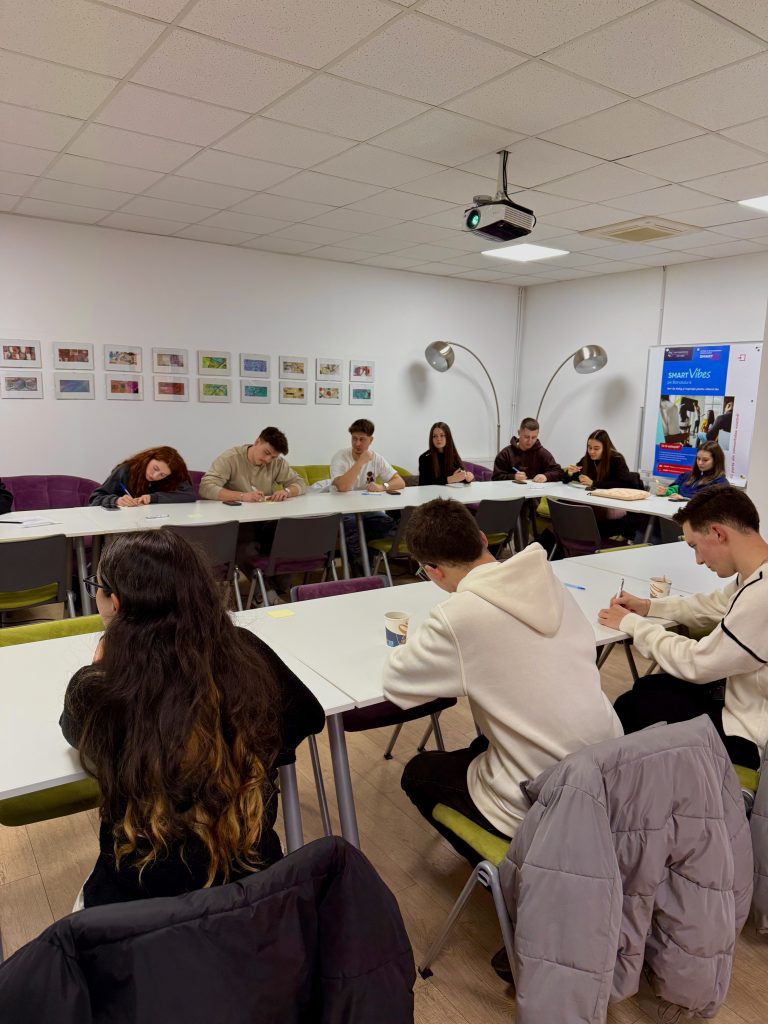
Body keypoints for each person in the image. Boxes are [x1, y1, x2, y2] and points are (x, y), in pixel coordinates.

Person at [61, 530, 324, 908]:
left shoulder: (99, 686)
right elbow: (307, 716)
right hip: (251, 875)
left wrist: (101, 666)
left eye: (96, 589)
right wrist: (243, 755)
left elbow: (79, 737)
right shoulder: (245, 651)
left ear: (114, 603)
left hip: (143, 896)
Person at [382, 498, 623, 866]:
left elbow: (397, 684)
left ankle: (517, 867)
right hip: (611, 774)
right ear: (482, 538)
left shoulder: (457, 616)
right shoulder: (548, 581)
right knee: (483, 741)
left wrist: (402, 647)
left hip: (546, 795)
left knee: (419, 773)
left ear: (432, 572)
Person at [599, 485, 768, 769]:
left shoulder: (762, 594)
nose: (698, 560)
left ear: (718, 533)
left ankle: (614, 783)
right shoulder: (755, 575)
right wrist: (648, 606)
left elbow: (698, 663)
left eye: (694, 546)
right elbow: (710, 605)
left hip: (750, 738)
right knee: (648, 687)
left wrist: (633, 624)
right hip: (740, 701)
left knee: (634, 706)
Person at [330, 419, 405, 574]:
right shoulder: (340, 456)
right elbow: (343, 487)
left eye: (362, 439)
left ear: (371, 440)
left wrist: (383, 486)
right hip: (342, 509)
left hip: (367, 509)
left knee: (387, 524)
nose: (357, 444)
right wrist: (360, 462)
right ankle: (363, 570)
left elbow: (400, 482)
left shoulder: (376, 458)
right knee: (352, 527)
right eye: (354, 439)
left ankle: (365, 562)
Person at [198, 427, 305, 504]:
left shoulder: (278, 463)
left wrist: (287, 491)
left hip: (266, 516)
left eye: (273, 457)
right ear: (257, 442)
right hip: (235, 516)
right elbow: (205, 487)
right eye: (266, 452)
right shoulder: (230, 458)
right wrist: (242, 496)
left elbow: (300, 483)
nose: (268, 460)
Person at [89, 447, 194, 508]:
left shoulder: (170, 477)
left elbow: (189, 495)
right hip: (122, 527)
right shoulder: (126, 470)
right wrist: (116, 500)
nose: (155, 476)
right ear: (149, 458)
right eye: (155, 468)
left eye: (162, 475)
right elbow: (95, 498)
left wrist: (153, 498)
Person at [564, 429, 640, 489]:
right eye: (589, 447)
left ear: (605, 448)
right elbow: (566, 479)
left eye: (596, 448)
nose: (591, 452)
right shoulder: (586, 459)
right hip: (591, 498)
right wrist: (569, 474)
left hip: (612, 500)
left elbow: (624, 484)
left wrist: (594, 483)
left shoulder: (617, 459)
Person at [491, 417, 561, 483]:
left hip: (535, 491)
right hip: (511, 491)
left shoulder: (542, 453)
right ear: (519, 433)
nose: (530, 441)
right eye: (526, 437)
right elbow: (496, 478)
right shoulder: (505, 454)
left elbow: (558, 472)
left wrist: (546, 476)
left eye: (534, 437)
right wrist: (513, 477)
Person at [656, 441, 727, 499]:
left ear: (716, 461)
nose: (700, 463)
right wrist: (666, 491)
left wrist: (685, 500)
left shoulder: (721, 484)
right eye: (698, 458)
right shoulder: (687, 475)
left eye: (705, 460)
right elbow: (676, 488)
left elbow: (710, 505)